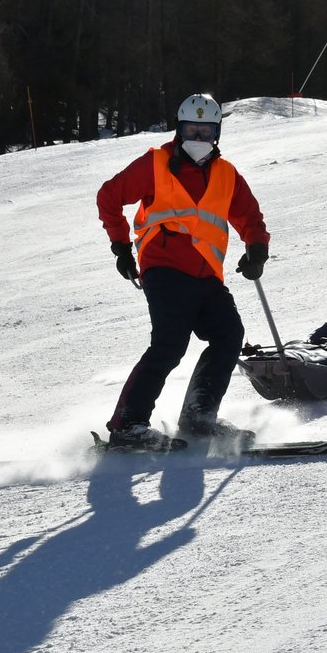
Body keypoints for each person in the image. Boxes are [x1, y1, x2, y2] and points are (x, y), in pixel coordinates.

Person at [96, 94, 271, 450]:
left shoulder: (226, 174)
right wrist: (120, 246)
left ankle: (198, 416)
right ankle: (127, 425)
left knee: (228, 334)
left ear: (216, 133)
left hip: (206, 272)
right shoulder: (155, 164)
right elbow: (109, 196)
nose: (197, 138)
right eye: (191, 129)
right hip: (164, 267)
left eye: (205, 131)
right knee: (170, 344)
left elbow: (250, 217)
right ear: (179, 129)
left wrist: (257, 249)